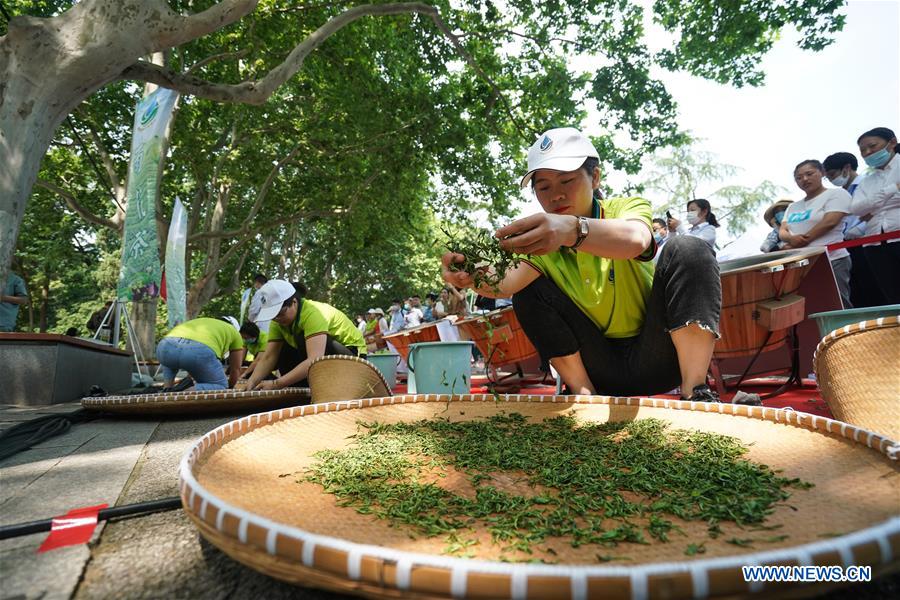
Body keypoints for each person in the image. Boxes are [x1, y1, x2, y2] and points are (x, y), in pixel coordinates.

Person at [441, 127, 722, 401]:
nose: (556, 195)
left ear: (595, 177)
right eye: (543, 187)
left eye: (567, 181)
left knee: (689, 248)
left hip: (660, 359)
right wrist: (470, 274)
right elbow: (505, 282)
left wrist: (572, 231)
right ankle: (583, 396)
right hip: (598, 371)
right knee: (527, 292)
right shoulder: (542, 241)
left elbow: (636, 239)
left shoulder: (625, 208)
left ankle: (695, 391)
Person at [244, 280, 366, 390]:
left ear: (294, 302)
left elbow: (314, 359)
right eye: (273, 316)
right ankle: (299, 390)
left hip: (354, 358)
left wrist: (277, 384)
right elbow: (269, 357)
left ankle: (325, 388)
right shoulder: (277, 322)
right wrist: (251, 382)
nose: (277, 319)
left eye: (281, 313)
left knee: (302, 339)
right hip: (322, 359)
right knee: (282, 348)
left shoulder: (313, 314)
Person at [780, 159, 853, 307]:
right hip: (801, 263)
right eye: (799, 178)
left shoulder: (837, 194)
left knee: (837, 302)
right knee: (812, 305)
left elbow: (830, 221)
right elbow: (782, 230)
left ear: (822, 173)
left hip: (832, 259)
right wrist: (791, 239)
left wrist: (801, 241)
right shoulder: (793, 206)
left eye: (809, 174)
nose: (804, 179)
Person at [824, 151, 885, 307]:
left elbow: (880, 209)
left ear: (847, 168)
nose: (831, 180)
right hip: (847, 245)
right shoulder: (841, 193)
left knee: (874, 285)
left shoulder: (867, 183)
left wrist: (860, 229)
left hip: (869, 240)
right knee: (856, 290)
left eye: (832, 174)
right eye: (828, 177)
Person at [849, 127, 900, 303]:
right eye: (863, 150)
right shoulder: (868, 180)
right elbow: (856, 209)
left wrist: (872, 208)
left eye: (872, 146)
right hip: (874, 242)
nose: (868, 153)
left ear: (892, 142)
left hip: (897, 233)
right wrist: (893, 189)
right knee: (892, 296)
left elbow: (866, 208)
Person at [156, 316, 245, 390]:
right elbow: (236, 368)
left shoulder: (204, 321)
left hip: (165, 347)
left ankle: (167, 388)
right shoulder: (234, 332)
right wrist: (230, 387)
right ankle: (183, 390)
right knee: (220, 386)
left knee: (170, 362)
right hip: (198, 351)